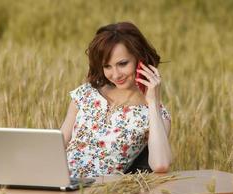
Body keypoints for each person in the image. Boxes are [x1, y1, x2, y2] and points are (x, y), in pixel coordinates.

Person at [61, 22, 172, 178]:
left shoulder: (154, 113)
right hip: (58, 181)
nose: (115, 75)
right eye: (107, 66)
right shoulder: (85, 94)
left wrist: (153, 102)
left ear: (140, 59)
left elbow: (161, 164)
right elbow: (58, 145)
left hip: (97, 191)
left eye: (122, 64)